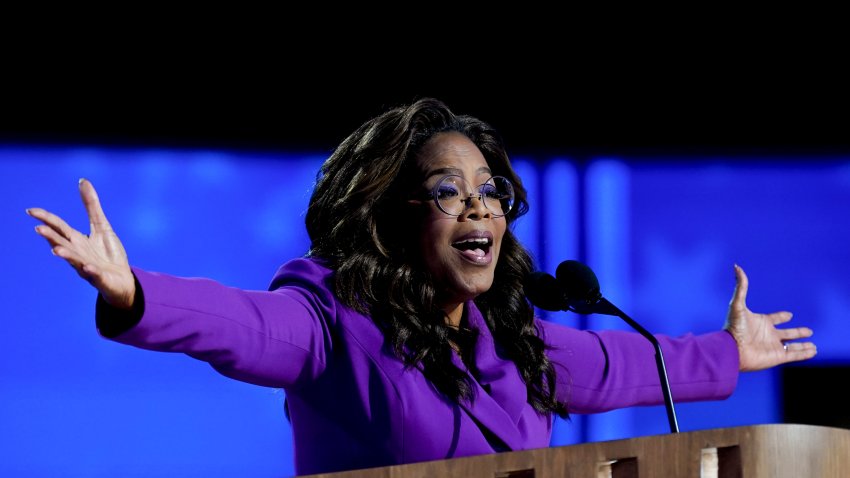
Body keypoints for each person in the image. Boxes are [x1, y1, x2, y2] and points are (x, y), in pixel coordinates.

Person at [27, 98, 817, 475]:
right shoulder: (334, 321)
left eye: (490, 189)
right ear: (396, 213)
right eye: (448, 189)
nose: (478, 205)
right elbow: (242, 324)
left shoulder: (516, 343)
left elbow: (624, 366)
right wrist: (134, 293)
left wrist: (727, 351)